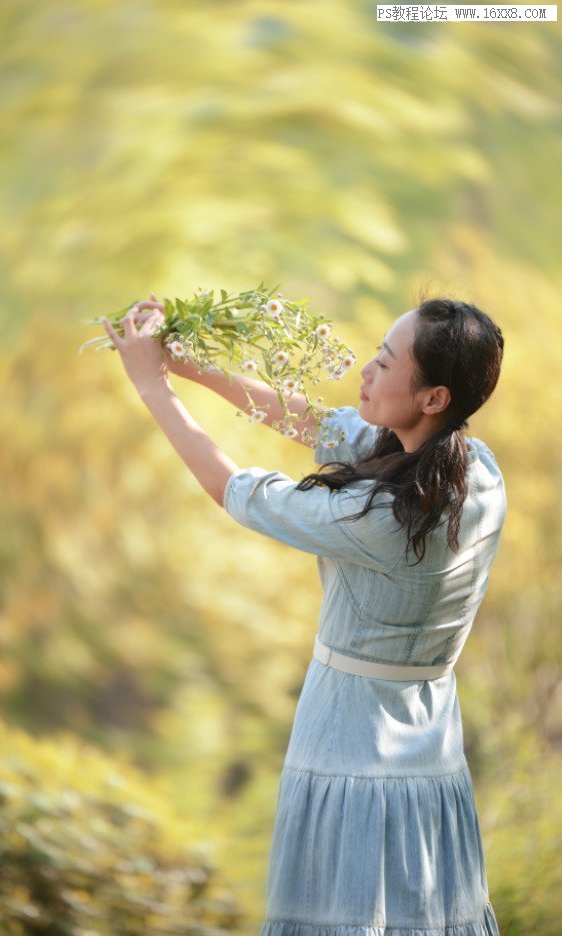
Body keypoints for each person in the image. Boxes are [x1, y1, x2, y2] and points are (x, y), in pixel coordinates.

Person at [103, 295, 506, 936]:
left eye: (384, 361)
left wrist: (152, 386)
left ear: (433, 397)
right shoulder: (477, 474)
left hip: (351, 745)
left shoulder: (382, 518)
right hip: (430, 750)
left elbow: (235, 490)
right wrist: (189, 365)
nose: (366, 371)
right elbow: (318, 425)